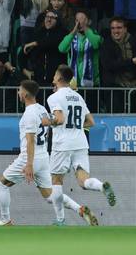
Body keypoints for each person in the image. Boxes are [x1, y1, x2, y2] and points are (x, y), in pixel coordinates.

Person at [0, 80, 97, 226]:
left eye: (19, 90)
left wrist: (28, 164)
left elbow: (30, 140)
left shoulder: (29, 114)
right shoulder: (42, 109)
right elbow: (54, 121)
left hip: (29, 158)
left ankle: (6, 220)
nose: (18, 93)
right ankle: (79, 209)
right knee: (50, 195)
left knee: (1, 184)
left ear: (25, 94)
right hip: (43, 158)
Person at [42, 65, 116, 225]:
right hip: (80, 142)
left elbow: (59, 119)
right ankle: (102, 186)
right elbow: (91, 122)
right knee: (83, 181)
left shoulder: (54, 97)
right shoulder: (78, 97)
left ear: (60, 78)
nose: (53, 77)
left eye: (55, 74)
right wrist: (74, 125)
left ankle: (60, 220)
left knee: (56, 181)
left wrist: (48, 121)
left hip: (62, 144)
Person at [99, 17, 136, 113]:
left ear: (125, 29)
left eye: (119, 28)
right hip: (114, 88)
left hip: (133, 88)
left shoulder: (133, 42)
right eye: (113, 28)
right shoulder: (106, 44)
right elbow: (109, 65)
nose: (116, 31)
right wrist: (131, 62)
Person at [58, 10, 102, 88]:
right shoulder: (70, 37)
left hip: (92, 82)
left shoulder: (96, 35)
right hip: (73, 83)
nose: (80, 23)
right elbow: (62, 48)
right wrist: (73, 32)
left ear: (89, 22)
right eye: (77, 20)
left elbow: (96, 44)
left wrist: (85, 28)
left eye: (83, 20)